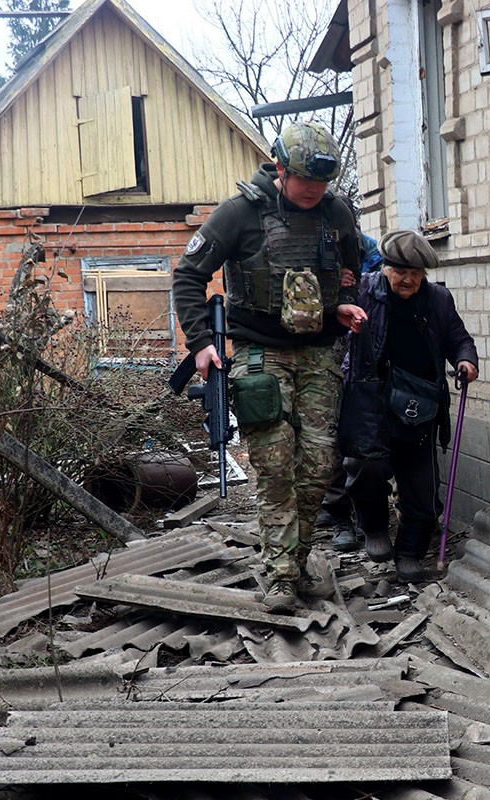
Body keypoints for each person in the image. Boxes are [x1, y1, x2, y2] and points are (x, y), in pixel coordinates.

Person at [171, 121, 368, 613]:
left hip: (321, 351)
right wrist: (200, 344)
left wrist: (342, 303)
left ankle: (295, 563)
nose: (314, 192)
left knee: (320, 464)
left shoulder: (335, 211)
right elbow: (188, 277)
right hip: (261, 352)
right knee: (276, 463)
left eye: (323, 184)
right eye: (306, 182)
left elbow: (350, 267)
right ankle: (281, 577)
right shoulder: (240, 214)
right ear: (281, 168)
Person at [340, 229, 478, 583]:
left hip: (420, 401)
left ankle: (410, 553)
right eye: (401, 272)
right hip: (372, 399)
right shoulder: (364, 292)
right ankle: (373, 526)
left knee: (422, 486)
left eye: (416, 274)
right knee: (366, 468)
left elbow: (457, 337)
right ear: (386, 267)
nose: (409, 280)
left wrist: (465, 360)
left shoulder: (438, 299)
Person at [317, 219, 384, 553]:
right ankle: (338, 514)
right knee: (330, 436)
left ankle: (364, 518)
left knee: (359, 434)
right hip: (320, 345)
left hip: (360, 348)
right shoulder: (306, 244)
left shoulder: (367, 249)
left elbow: (383, 287)